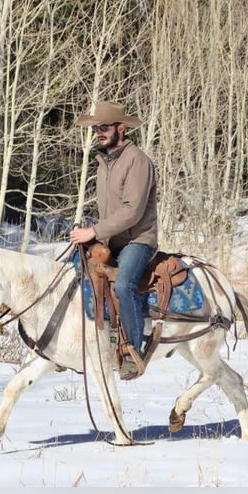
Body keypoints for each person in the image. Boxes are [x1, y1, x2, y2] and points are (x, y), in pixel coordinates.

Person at [70, 101, 158, 380]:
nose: (99, 132)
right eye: (96, 128)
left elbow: (132, 211)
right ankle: (93, 338)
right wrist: (90, 233)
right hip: (112, 238)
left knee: (124, 283)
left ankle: (133, 349)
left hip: (139, 239)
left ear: (122, 128)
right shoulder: (104, 162)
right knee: (81, 270)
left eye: (104, 127)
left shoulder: (137, 160)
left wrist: (93, 231)